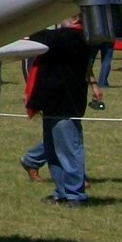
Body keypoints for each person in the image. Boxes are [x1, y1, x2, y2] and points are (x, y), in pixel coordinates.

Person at [20, 16, 92, 205]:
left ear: (76, 19)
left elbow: (46, 38)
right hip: (52, 103)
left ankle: (75, 195)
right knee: (53, 152)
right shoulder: (66, 36)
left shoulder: (74, 37)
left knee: (69, 152)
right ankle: (61, 192)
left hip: (64, 103)